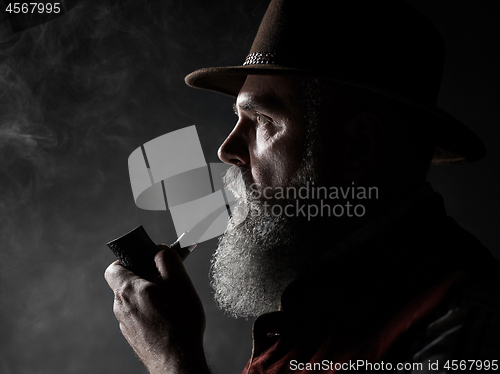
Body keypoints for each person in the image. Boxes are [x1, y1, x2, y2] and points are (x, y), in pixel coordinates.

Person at [105, 1, 500, 373]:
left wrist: (173, 360)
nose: (226, 150)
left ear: (358, 144)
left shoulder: (464, 319)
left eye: (262, 120)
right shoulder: (314, 314)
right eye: (238, 118)